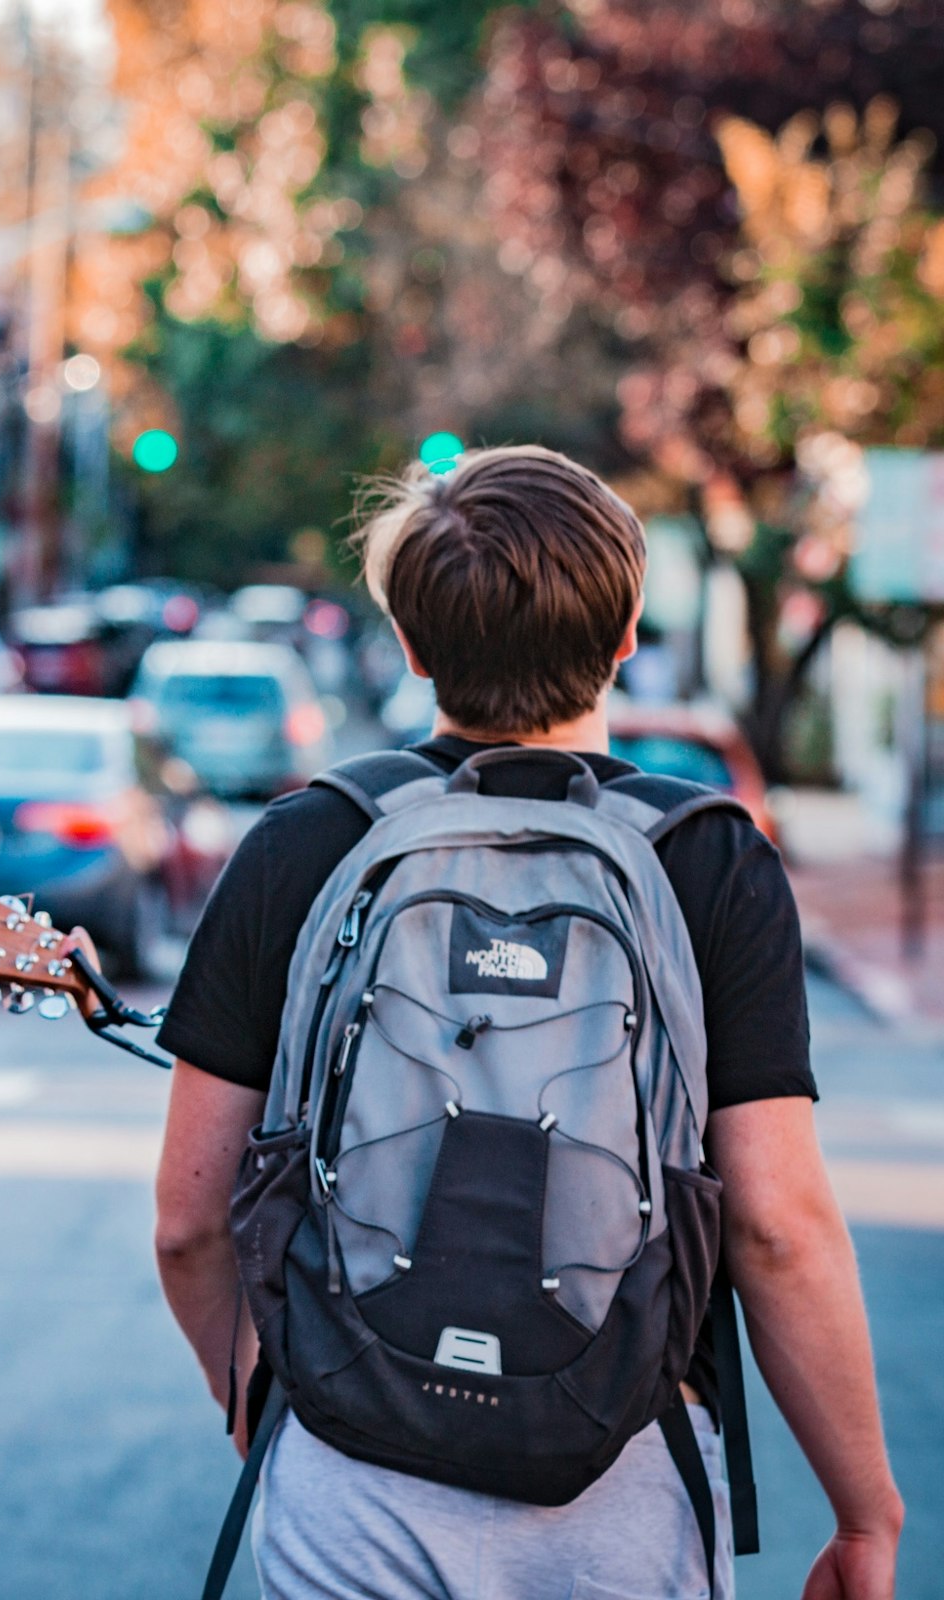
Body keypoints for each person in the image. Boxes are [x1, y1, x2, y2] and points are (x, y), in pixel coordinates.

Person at [154, 446, 903, 1599]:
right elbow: (777, 1228)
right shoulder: (702, 859)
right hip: (623, 1472)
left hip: (354, 1478)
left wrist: (270, 1405)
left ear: (408, 644)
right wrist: (863, 1512)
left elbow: (190, 1225)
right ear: (623, 635)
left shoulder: (305, 844)